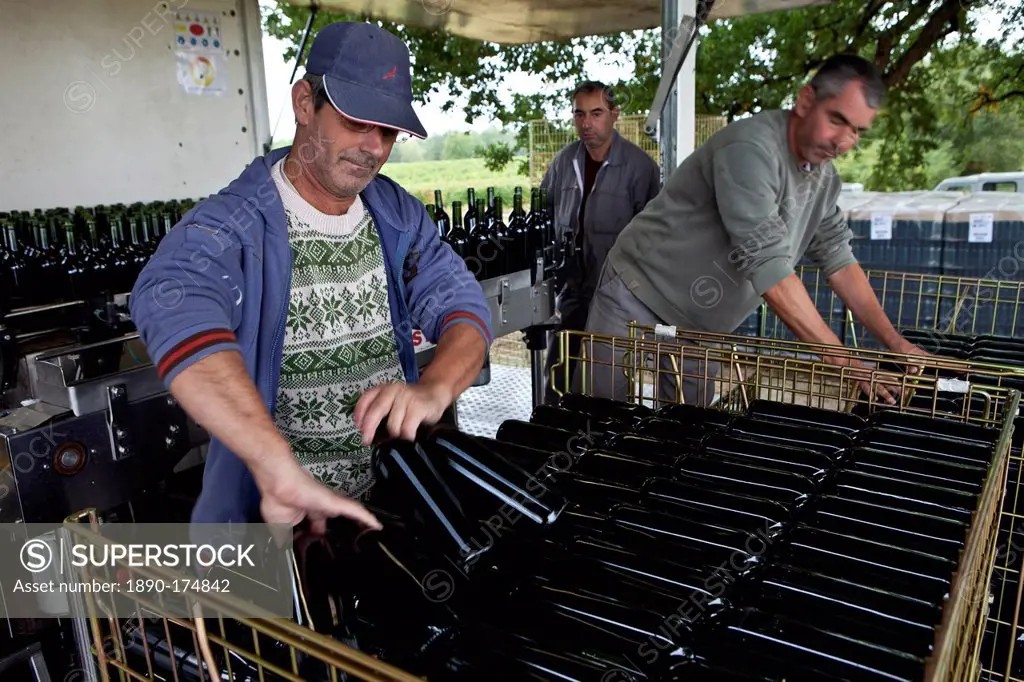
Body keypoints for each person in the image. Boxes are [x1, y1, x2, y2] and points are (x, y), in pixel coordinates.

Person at [130, 22, 492, 534]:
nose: (372, 146)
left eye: (387, 130)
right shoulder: (234, 225)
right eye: (355, 120)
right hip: (285, 527)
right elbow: (173, 299)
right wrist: (272, 462)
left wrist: (434, 389)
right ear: (305, 102)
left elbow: (463, 305)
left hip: (388, 509)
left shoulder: (396, 215)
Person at [576, 54, 930, 406]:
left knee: (685, 435)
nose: (843, 140)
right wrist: (850, 365)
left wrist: (896, 343)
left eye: (856, 130)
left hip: (701, 325)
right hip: (636, 292)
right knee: (596, 417)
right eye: (836, 119)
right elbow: (769, 269)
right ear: (806, 100)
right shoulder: (750, 149)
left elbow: (839, 259)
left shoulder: (823, 180)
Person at [540, 81, 662, 404]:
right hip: (571, 292)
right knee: (558, 372)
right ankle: (550, 437)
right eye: (579, 114)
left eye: (596, 113)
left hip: (616, 296)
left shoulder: (642, 169)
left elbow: (654, 240)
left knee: (604, 383)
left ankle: (597, 445)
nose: (586, 124)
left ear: (615, 114)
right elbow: (543, 216)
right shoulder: (563, 164)